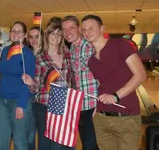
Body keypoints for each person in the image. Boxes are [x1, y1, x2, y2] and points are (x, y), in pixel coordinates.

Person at [81, 15, 146, 150]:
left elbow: (140, 75)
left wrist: (116, 96)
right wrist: (97, 107)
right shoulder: (91, 61)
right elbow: (102, 85)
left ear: (102, 28)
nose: (87, 32)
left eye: (91, 28)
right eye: (84, 29)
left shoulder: (120, 45)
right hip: (102, 119)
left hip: (126, 117)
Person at [23, 23, 74, 150]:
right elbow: (37, 86)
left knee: (64, 141)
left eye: (59, 34)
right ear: (47, 36)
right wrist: (30, 83)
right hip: (44, 104)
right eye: (52, 33)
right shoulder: (40, 58)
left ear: (62, 37)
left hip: (65, 105)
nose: (55, 37)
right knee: (45, 142)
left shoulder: (69, 56)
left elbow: (73, 81)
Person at [0, 21, 36, 150]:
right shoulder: (6, 51)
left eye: (19, 31)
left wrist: (21, 105)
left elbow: (27, 80)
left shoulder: (27, 54)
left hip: (19, 101)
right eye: (13, 31)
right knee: (1, 139)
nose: (16, 34)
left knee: (19, 140)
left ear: (24, 35)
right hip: (1, 100)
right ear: (10, 34)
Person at [62, 15, 99, 150]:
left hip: (93, 105)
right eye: (64, 29)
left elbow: (103, 75)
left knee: (91, 145)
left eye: (71, 28)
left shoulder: (91, 46)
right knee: (86, 144)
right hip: (80, 106)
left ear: (79, 29)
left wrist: (100, 105)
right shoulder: (72, 49)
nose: (68, 32)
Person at [26, 26, 44, 150]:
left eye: (37, 36)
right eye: (31, 37)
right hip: (28, 98)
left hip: (43, 100)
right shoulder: (25, 54)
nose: (33, 40)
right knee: (30, 135)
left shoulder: (47, 55)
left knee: (43, 136)